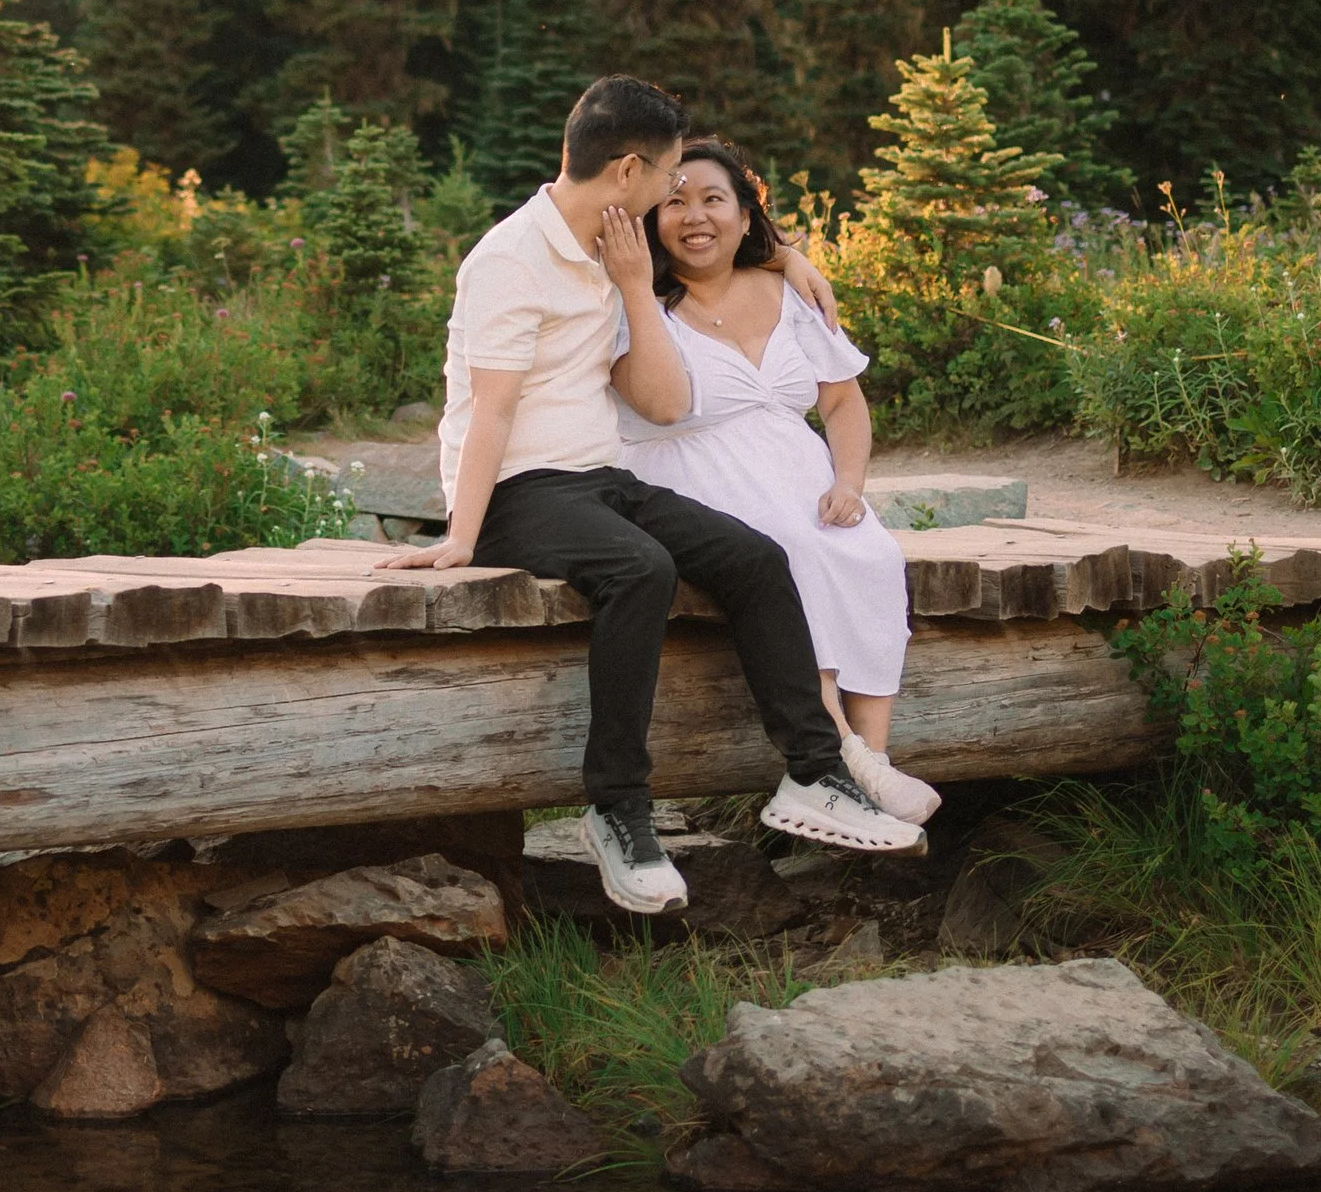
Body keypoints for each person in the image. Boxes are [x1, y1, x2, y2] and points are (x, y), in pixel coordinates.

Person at [377, 74, 924, 913]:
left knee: (753, 555)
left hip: (602, 479)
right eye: (669, 172)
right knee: (641, 570)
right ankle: (618, 810)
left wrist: (790, 256)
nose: (678, 191)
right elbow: (489, 409)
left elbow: (716, 246)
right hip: (520, 490)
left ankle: (816, 774)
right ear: (629, 169)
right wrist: (463, 534)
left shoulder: (613, 238)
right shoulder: (508, 261)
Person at [611, 136, 939, 845]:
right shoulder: (637, 300)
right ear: (650, 217)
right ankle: (842, 757)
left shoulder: (788, 290)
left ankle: (869, 761)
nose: (694, 216)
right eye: (674, 201)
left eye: (712, 199)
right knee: (788, 551)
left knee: (872, 554)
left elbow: (844, 404)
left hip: (798, 467)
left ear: (744, 210)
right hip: (688, 473)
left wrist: (849, 481)